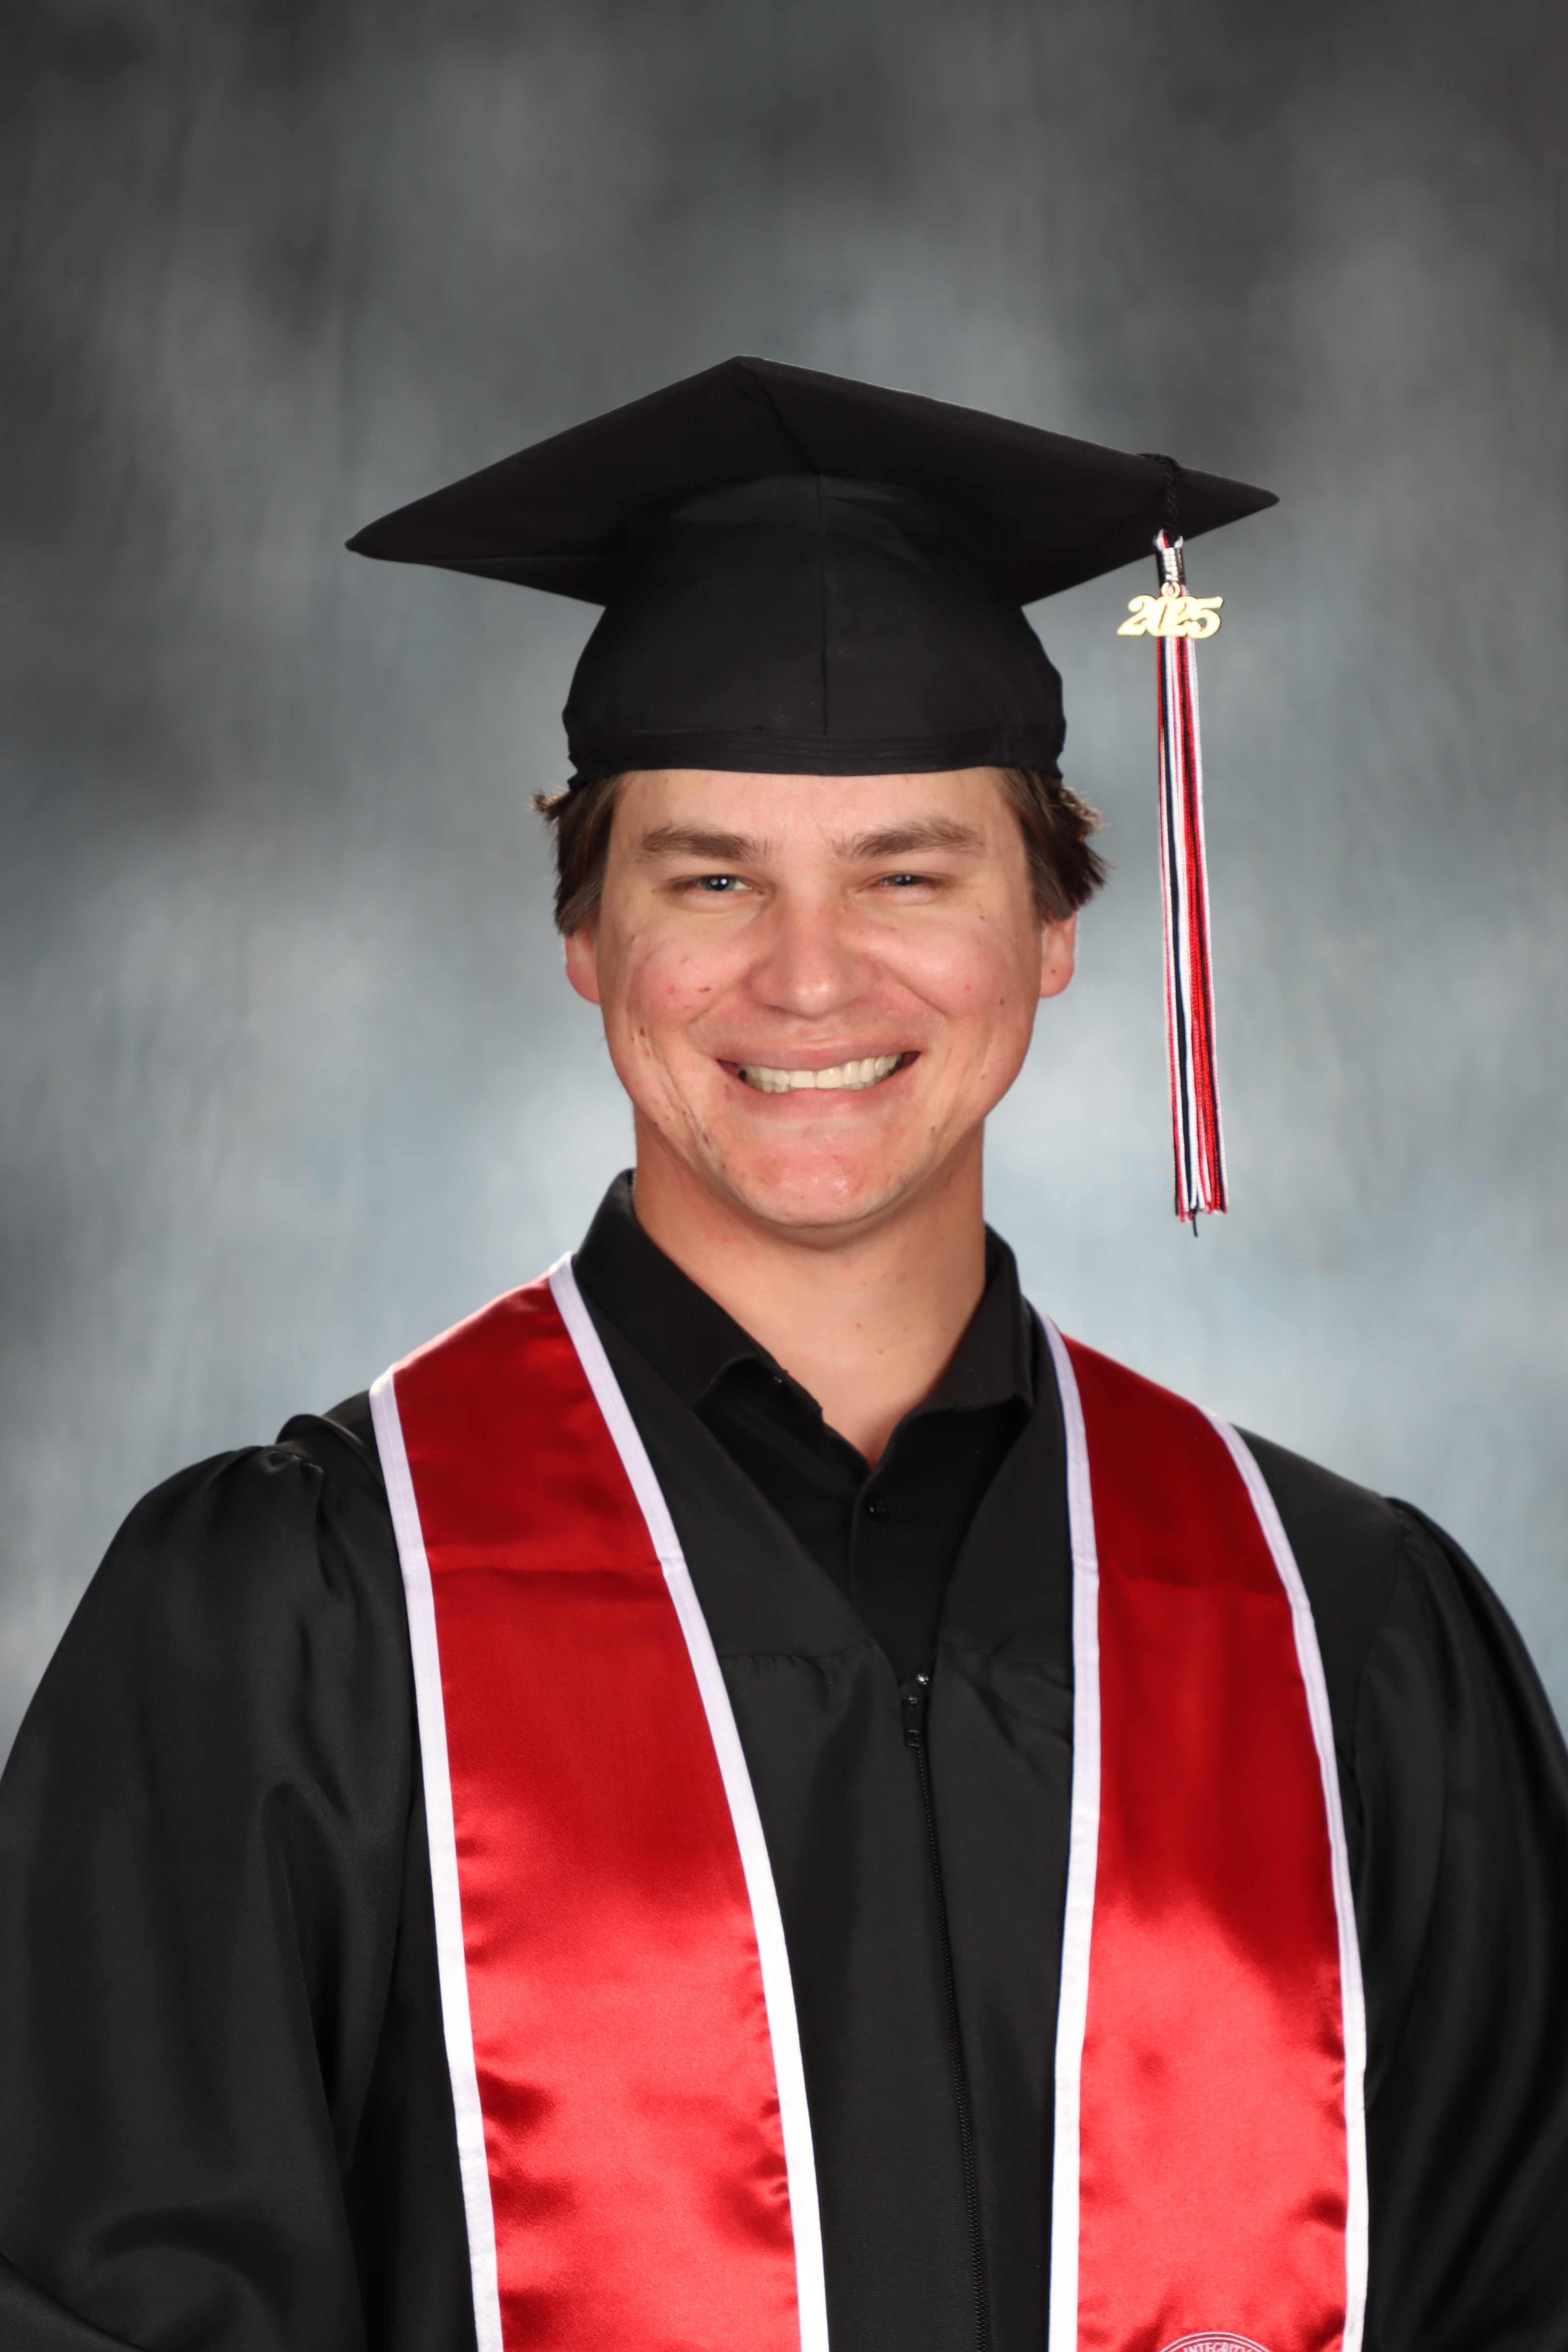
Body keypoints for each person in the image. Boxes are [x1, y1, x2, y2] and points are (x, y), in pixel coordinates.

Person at [1, 360, 1565, 2352]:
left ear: (1051, 928)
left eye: (908, 873)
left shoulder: (1345, 1634)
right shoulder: (300, 1623)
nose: (808, 976)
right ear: (585, 936)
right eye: (712, 876)